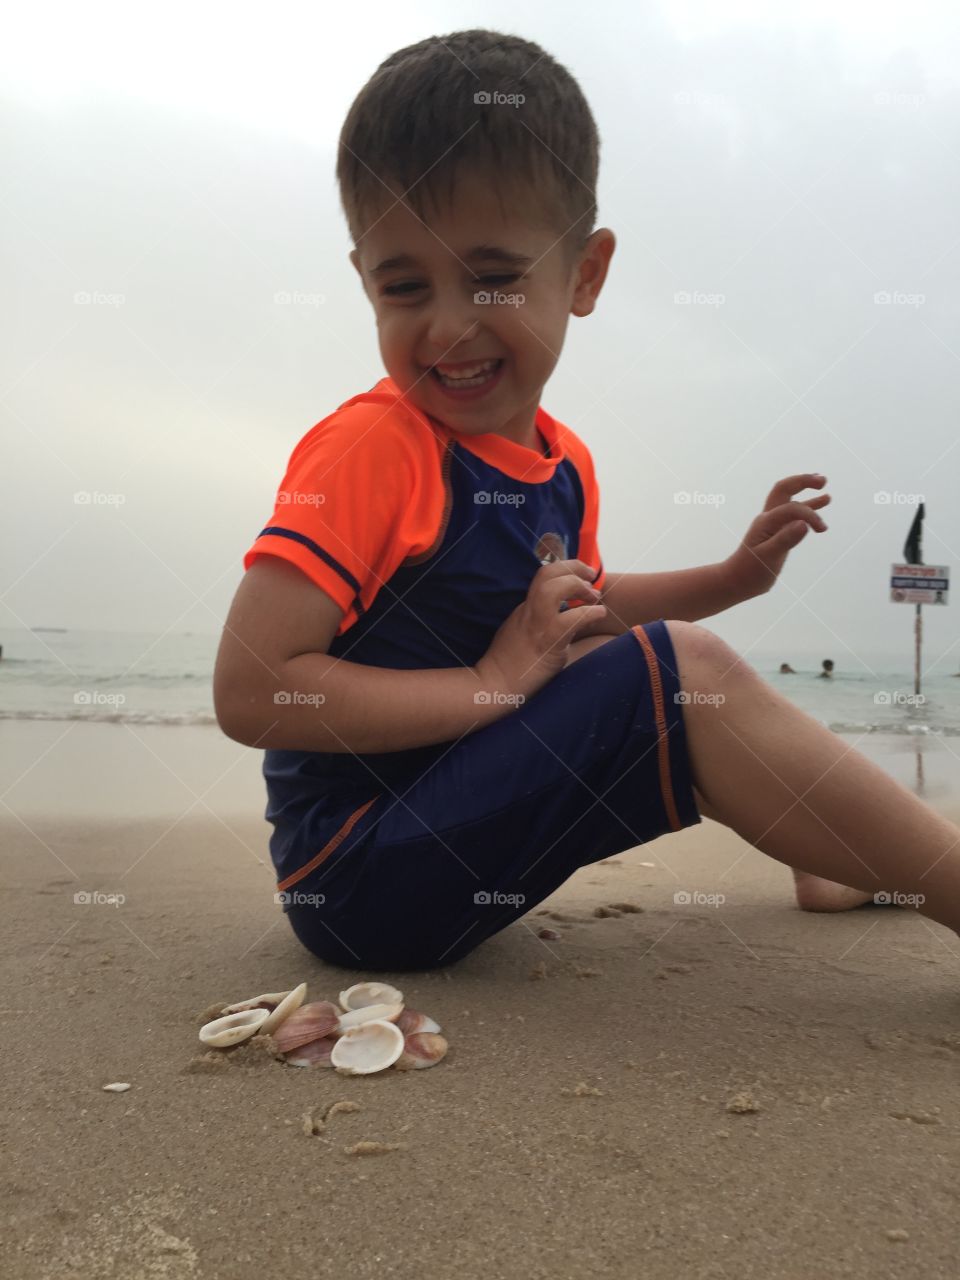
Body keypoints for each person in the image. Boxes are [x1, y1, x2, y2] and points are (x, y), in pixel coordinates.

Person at [213, 30, 960, 970]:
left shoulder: (562, 465)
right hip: (359, 872)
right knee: (677, 674)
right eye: (406, 286)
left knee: (633, 661)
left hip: (459, 830)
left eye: (493, 278)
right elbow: (251, 689)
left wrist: (731, 577)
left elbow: (590, 615)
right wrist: (487, 686)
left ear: (586, 275)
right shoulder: (374, 448)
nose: (448, 325)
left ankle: (850, 863)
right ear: (365, 279)